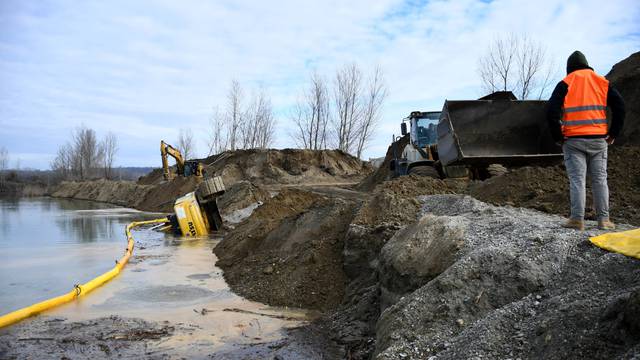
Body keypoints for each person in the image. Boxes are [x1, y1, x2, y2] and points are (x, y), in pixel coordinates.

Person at [547, 51, 625, 231]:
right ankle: (604, 221)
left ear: (570, 68)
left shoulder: (566, 83)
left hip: (573, 142)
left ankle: (577, 220)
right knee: (600, 180)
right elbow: (620, 107)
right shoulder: (602, 82)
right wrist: (613, 134)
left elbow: (551, 111)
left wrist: (558, 137)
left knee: (577, 180)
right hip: (599, 141)